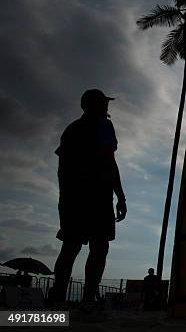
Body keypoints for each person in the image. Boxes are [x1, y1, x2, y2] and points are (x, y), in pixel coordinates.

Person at [50, 89, 127, 307]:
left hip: (72, 196)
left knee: (70, 246)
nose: (107, 107)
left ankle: (58, 297)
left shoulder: (71, 129)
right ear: (95, 105)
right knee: (99, 246)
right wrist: (120, 195)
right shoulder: (103, 125)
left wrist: (66, 196)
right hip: (96, 196)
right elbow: (109, 162)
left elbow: (61, 168)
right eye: (104, 103)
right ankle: (87, 299)